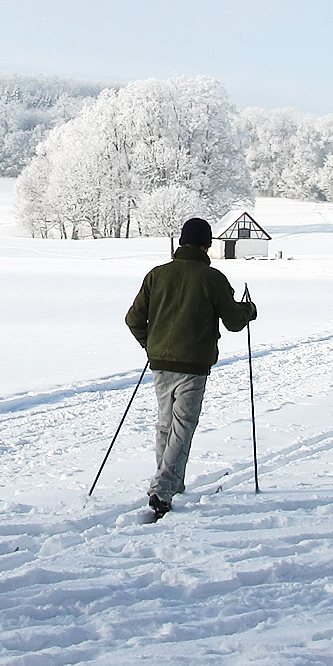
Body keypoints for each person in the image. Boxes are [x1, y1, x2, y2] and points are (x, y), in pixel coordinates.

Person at [124, 217, 258, 521]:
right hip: (194, 365)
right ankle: (163, 489)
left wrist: (151, 344)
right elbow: (234, 322)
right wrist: (248, 310)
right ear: (206, 244)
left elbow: (133, 319)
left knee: (166, 425)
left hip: (159, 364)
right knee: (182, 426)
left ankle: (172, 480)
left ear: (182, 242)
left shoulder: (156, 275)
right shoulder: (213, 279)